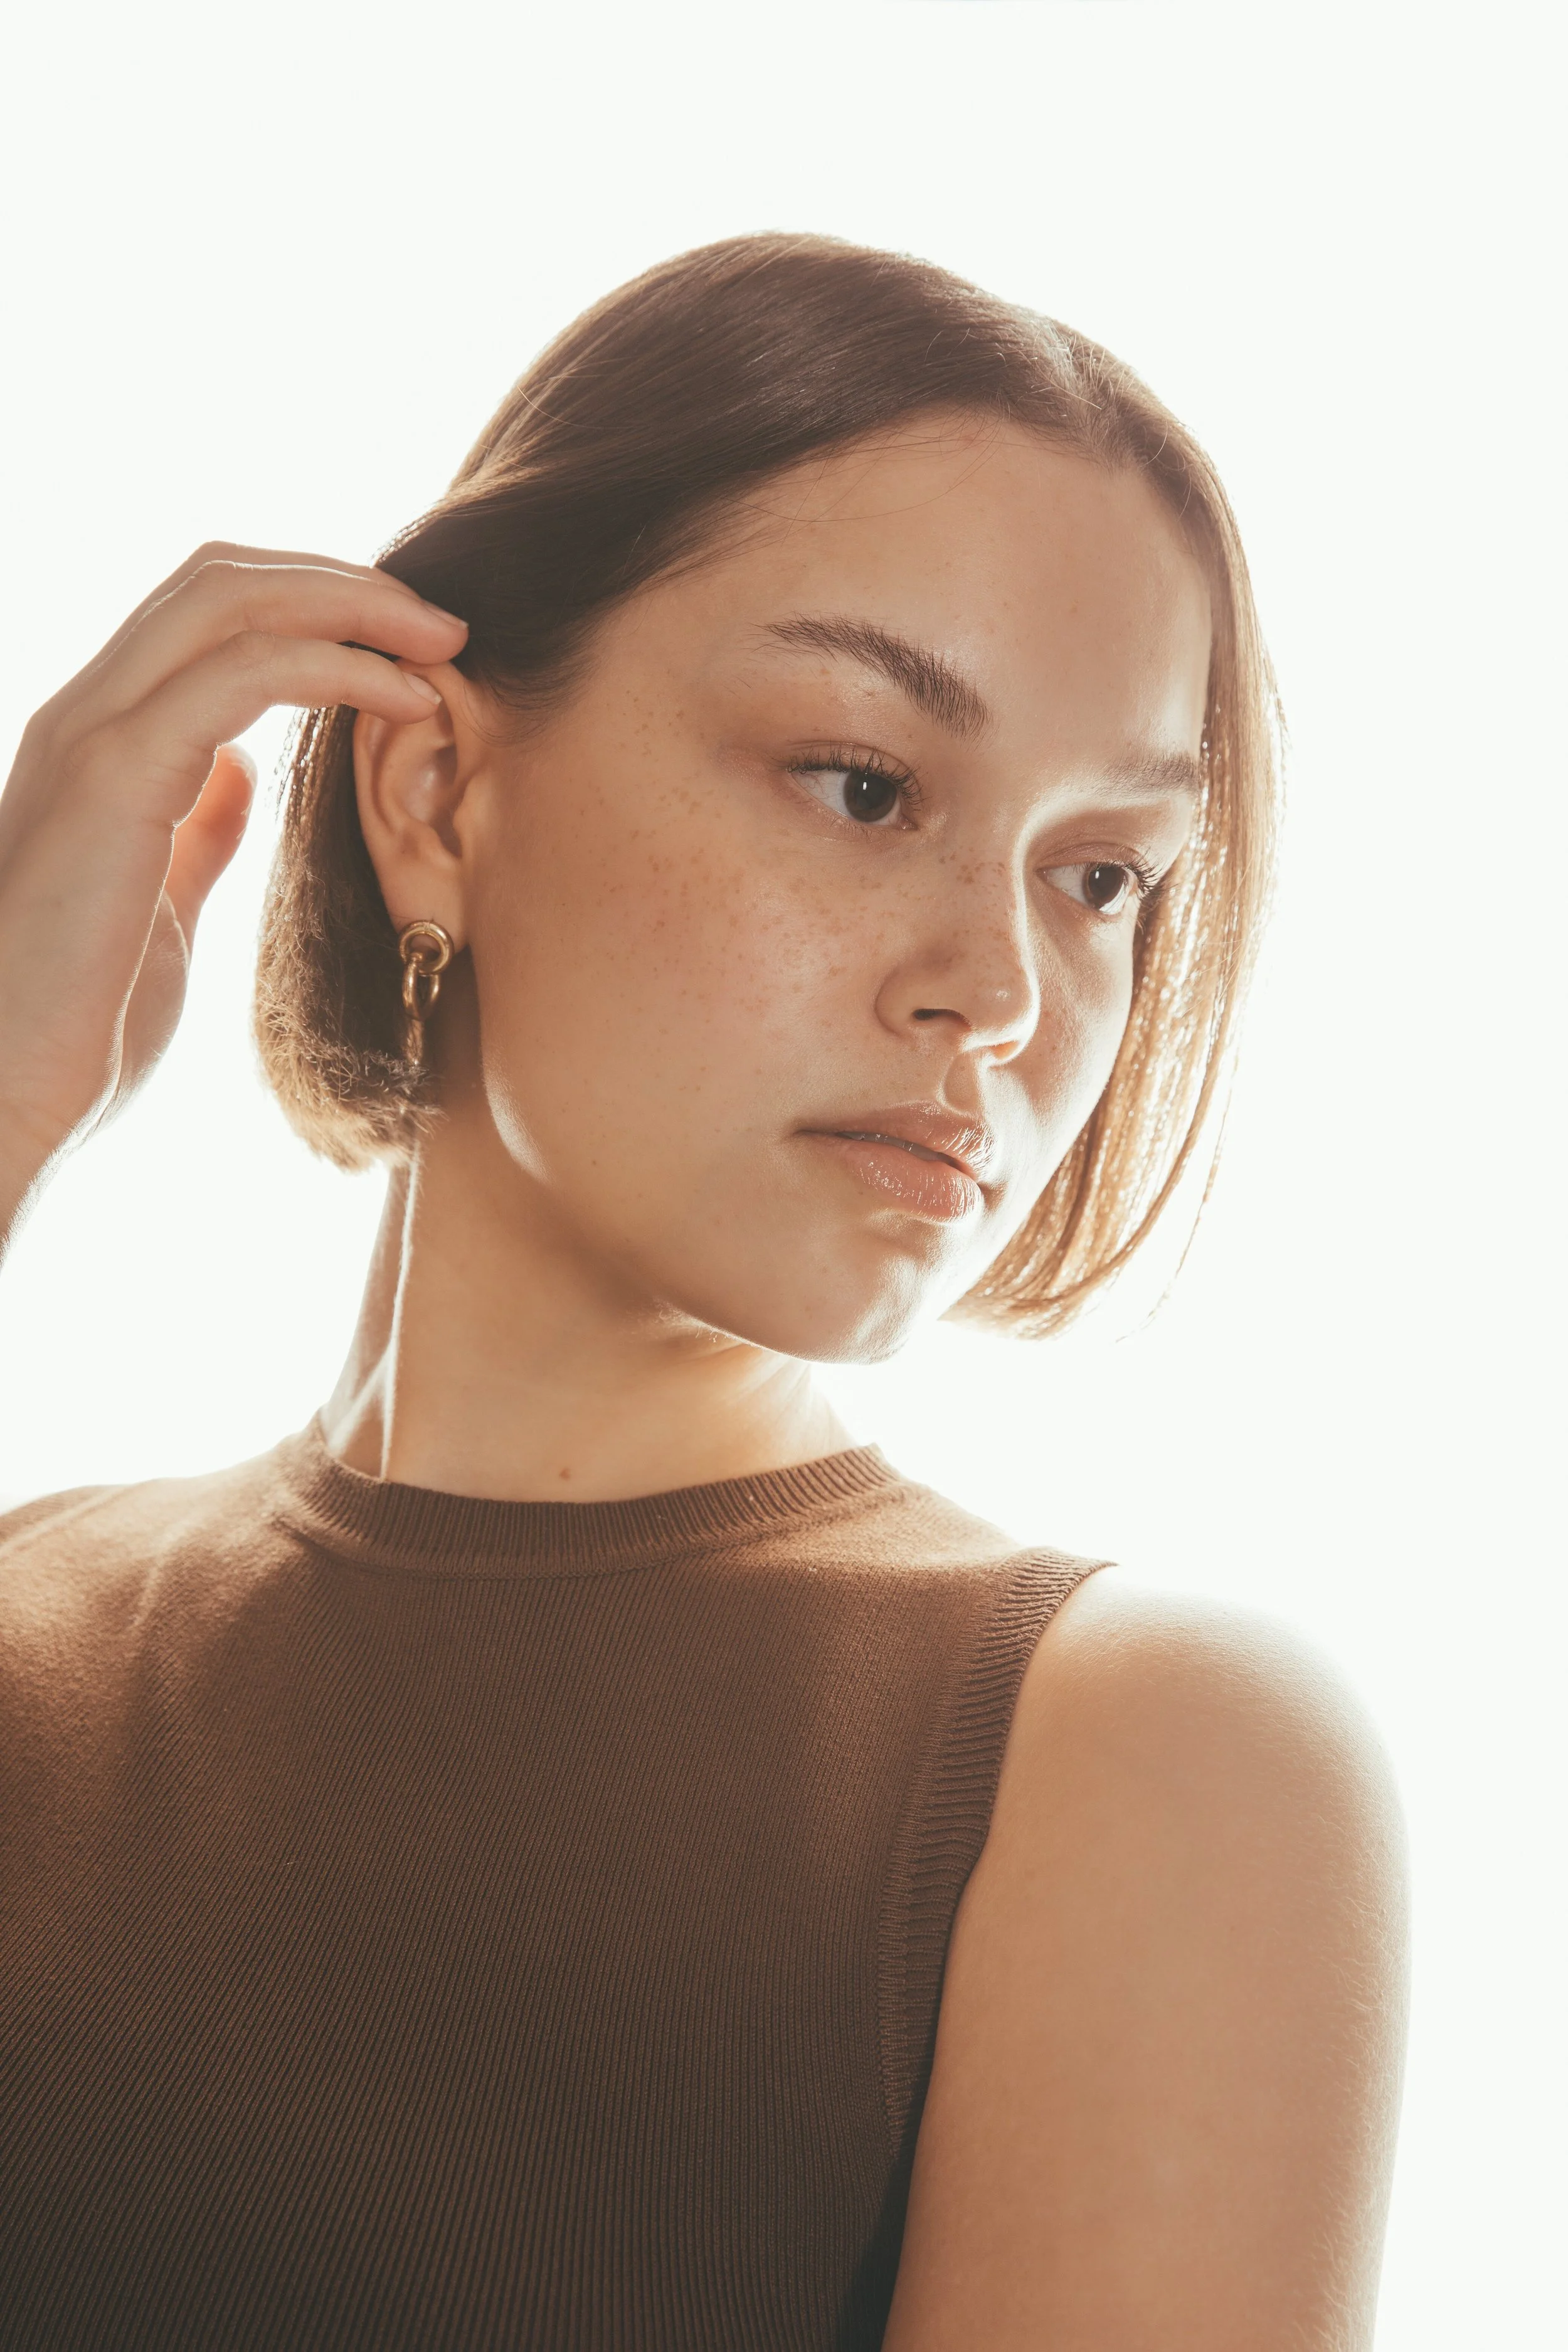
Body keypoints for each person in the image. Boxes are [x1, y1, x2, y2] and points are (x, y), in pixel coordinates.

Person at [0, 235, 1407, 2349]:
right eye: (863, 782)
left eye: (1101, 872)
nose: (1002, 990)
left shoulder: (1140, 1764)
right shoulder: (26, 1625)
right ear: (433, 792)